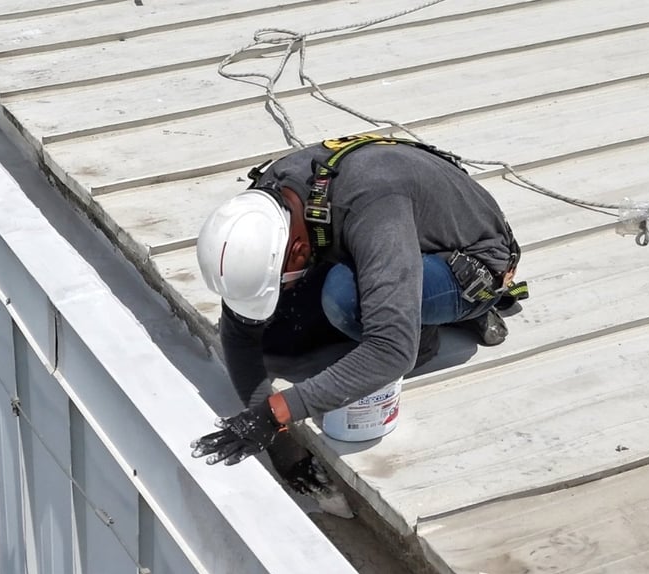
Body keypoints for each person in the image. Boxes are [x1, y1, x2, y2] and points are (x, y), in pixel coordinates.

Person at [190, 135, 522, 500]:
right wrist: (281, 447)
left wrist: (276, 413)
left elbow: (391, 350)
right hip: (398, 234)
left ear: (299, 249)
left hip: (473, 261)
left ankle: (439, 318)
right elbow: (240, 332)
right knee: (276, 337)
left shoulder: (372, 202)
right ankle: (402, 293)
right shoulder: (263, 210)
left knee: (345, 298)